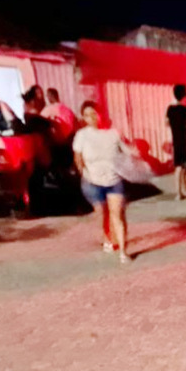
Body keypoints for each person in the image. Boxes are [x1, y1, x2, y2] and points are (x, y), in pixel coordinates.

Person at [73, 101, 132, 264]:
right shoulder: (82, 136)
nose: (91, 118)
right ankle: (107, 238)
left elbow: (128, 151)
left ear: (100, 114)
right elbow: (78, 158)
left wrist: (136, 154)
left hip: (114, 180)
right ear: (83, 118)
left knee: (117, 215)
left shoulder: (114, 133)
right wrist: (83, 173)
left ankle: (123, 252)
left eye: (94, 113)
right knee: (103, 215)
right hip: (93, 182)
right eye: (87, 115)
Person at [166, 85, 186, 200]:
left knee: (178, 167)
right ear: (184, 96)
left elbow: (166, 123)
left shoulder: (170, 109)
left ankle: (178, 193)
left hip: (176, 141)